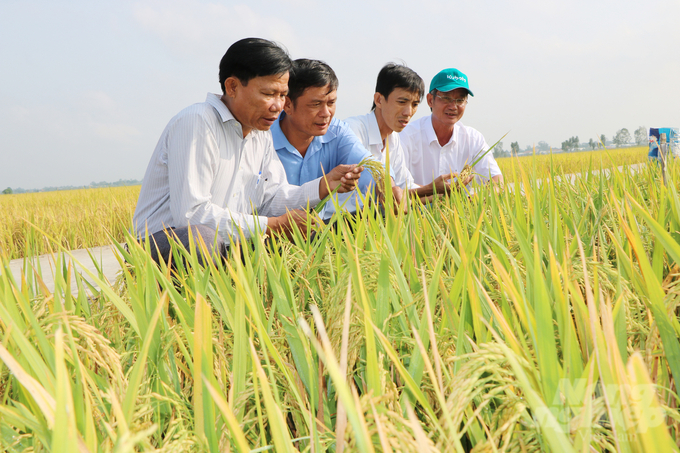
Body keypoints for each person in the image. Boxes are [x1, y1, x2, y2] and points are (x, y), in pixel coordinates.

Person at [132, 38, 363, 264]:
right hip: (167, 241)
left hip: (227, 242)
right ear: (232, 86)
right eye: (268, 94)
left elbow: (271, 198)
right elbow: (191, 215)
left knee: (307, 231)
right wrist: (271, 226)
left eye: (282, 95)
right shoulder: (198, 122)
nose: (278, 106)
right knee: (203, 240)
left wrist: (323, 186)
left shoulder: (259, 134)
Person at [271, 58, 402, 219]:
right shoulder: (264, 138)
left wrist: (387, 185)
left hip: (317, 229)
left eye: (331, 103)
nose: (326, 113)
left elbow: (370, 164)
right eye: (316, 104)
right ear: (288, 105)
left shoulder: (337, 132)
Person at [345, 63, 466, 199]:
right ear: (379, 100)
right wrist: (431, 189)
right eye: (402, 102)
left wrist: (448, 195)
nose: (408, 112)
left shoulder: (393, 138)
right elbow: (386, 192)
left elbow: (405, 187)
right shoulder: (353, 131)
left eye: (414, 105)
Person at [400, 68, 503, 187]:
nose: (453, 106)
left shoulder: (473, 139)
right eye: (446, 98)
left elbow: (496, 179)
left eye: (460, 100)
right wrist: (434, 194)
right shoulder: (407, 136)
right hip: (418, 205)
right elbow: (398, 187)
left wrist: (478, 200)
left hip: (465, 205)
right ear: (430, 100)